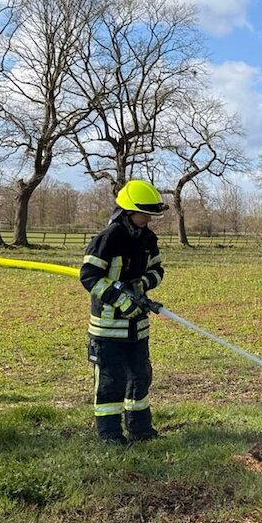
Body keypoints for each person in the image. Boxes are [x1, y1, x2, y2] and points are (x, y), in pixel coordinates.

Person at [80, 180, 167, 445]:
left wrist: (141, 284)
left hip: (137, 328)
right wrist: (120, 299)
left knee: (140, 377)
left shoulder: (148, 239)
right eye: (144, 214)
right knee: (111, 381)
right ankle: (110, 435)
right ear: (129, 211)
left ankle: (140, 429)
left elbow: (157, 271)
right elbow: (89, 276)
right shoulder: (108, 238)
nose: (148, 219)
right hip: (108, 329)